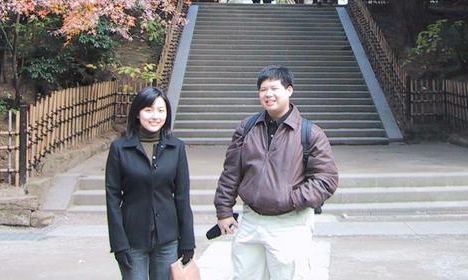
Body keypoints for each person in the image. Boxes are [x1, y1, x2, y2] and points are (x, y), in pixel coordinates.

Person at [214, 65, 339, 280]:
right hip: (251, 220)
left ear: (289, 90)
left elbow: (326, 179)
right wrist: (224, 211)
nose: (268, 94)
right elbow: (231, 172)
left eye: (274, 88)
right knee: (245, 275)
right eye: (263, 89)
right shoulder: (247, 128)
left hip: (290, 223)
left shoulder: (310, 133)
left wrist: (291, 198)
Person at [105, 87, 195, 280]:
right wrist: (118, 243)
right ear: (138, 113)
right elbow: (112, 198)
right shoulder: (120, 148)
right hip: (132, 238)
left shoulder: (176, 147)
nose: (155, 116)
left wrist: (188, 240)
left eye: (161, 110)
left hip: (168, 238)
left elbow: (182, 196)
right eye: (149, 110)